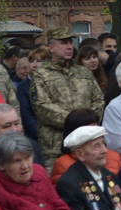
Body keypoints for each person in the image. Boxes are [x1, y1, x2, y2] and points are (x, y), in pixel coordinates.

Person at [31, 28, 105, 170]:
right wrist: (77, 122)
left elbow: (99, 100)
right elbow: (41, 107)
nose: (69, 46)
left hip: (89, 143)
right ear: (51, 48)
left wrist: (89, 123)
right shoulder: (41, 75)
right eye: (63, 43)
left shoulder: (83, 72)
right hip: (56, 147)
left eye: (70, 42)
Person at [49, 108, 121, 186]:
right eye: (96, 146)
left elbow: (118, 191)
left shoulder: (114, 157)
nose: (104, 151)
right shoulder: (63, 164)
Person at [17, 47, 49, 142]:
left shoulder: (55, 82)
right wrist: (42, 134)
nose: (34, 65)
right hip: (35, 136)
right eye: (31, 61)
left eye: (39, 61)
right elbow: (26, 115)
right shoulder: (23, 86)